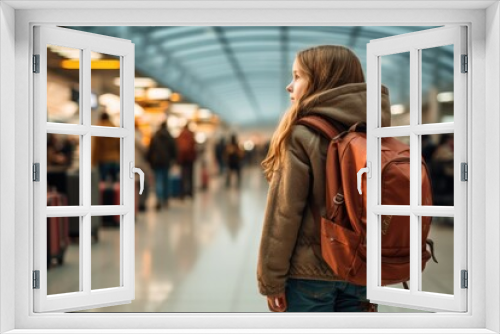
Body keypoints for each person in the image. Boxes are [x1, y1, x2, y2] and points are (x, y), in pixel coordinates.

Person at [258, 45, 390, 312]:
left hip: (310, 275)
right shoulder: (377, 132)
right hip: (363, 268)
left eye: (297, 76)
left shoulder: (302, 134)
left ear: (321, 80)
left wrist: (271, 280)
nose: (289, 86)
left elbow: (284, 214)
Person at [147, 121, 177, 210]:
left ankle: (159, 199)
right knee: (166, 180)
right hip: (166, 162)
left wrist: (150, 161)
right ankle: (165, 199)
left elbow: (150, 149)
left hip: (157, 162)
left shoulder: (155, 136)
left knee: (158, 181)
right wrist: (173, 159)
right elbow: (174, 149)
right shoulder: (170, 137)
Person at [91, 113, 120, 182]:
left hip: (103, 159)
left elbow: (97, 148)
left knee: (102, 183)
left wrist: (93, 161)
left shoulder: (99, 129)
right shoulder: (115, 128)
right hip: (115, 159)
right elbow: (119, 146)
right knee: (116, 183)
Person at [176, 124, 197, 199]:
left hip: (182, 159)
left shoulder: (180, 135)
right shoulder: (191, 134)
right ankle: (190, 192)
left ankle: (182, 193)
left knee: (182, 176)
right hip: (190, 159)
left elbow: (177, 146)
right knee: (190, 176)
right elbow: (194, 146)